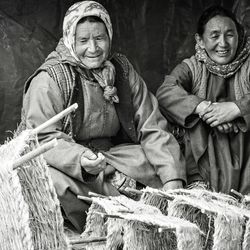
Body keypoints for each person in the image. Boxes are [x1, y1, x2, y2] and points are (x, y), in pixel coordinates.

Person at [21, 1, 185, 232]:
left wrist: (172, 180)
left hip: (114, 157)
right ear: (70, 40)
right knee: (51, 182)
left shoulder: (121, 70)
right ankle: (113, 216)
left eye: (100, 38)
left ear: (109, 35)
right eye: (83, 41)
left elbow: (152, 124)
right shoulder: (50, 79)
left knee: (163, 161)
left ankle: (128, 208)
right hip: (70, 163)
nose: (93, 48)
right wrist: (81, 160)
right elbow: (43, 137)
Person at [157, 5, 250, 195]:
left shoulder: (247, 65)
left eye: (230, 35)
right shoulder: (192, 67)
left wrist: (235, 109)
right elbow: (166, 92)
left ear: (239, 36)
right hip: (205, 158)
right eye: (214, 36)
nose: (223, 44)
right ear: (200, 40)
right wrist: (205, 109)